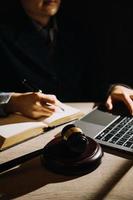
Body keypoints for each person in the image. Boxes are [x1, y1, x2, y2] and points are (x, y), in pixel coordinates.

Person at [0, 0, 133, 118]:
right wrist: (11, 102)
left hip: (78, 120)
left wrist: (112, 89)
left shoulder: (77, 25)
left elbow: (92, 79)